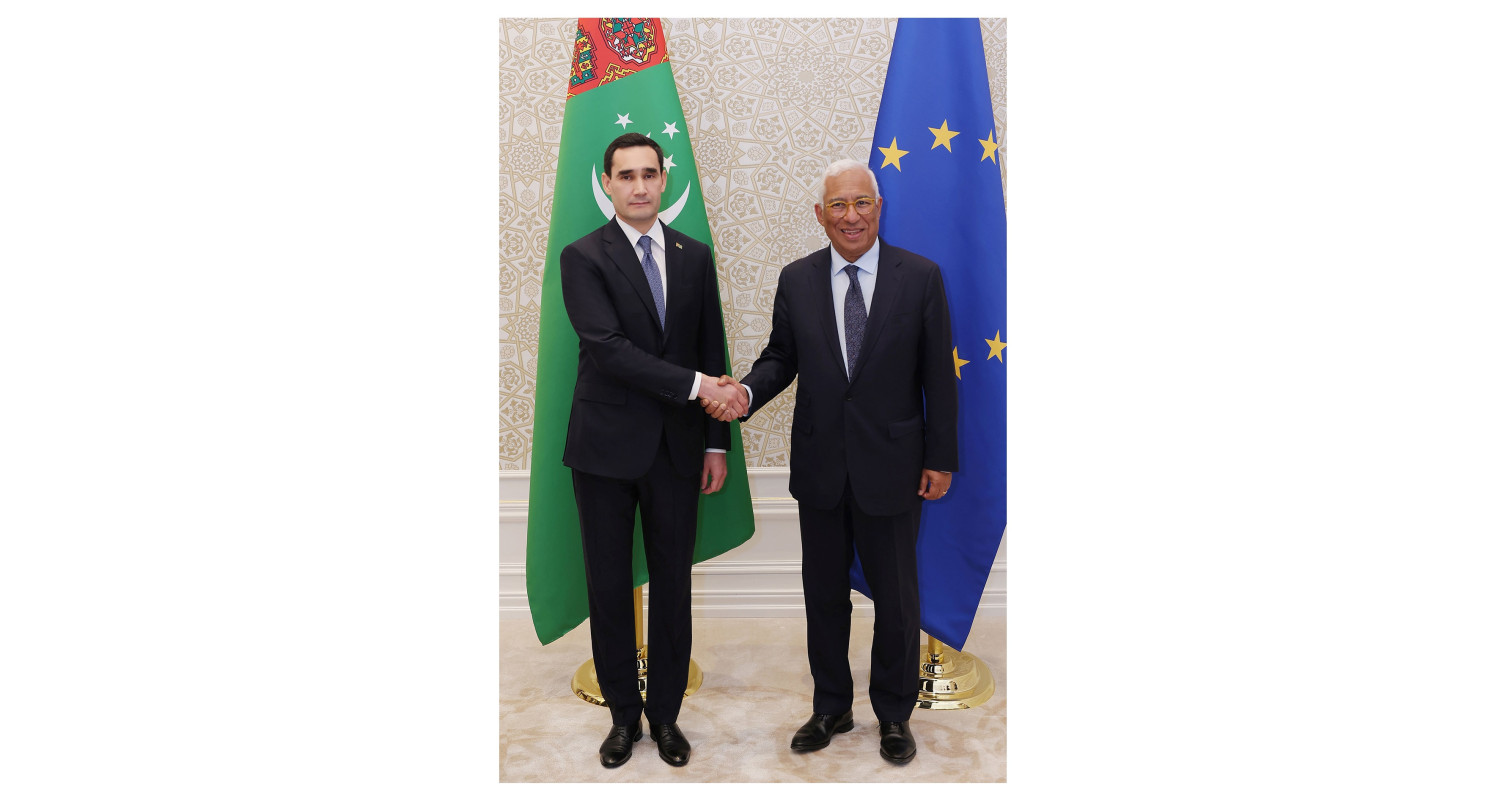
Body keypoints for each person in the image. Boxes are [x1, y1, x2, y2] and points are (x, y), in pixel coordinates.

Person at [703, 159, 957, 765]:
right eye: (838, 205)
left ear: (879, 207)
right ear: (820, 215)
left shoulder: (920, 277)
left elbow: (938, 378)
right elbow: (780, 358)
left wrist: (941, 457)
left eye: (861, 203)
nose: (851, 216)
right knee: (823, 596)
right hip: (821, 466)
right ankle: (831, 706)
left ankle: (893, 714)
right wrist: (745, 393)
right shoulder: (797, 279)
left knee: (897, 601)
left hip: (894, 466)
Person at [559, 132, 745, 769]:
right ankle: (622, 717)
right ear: (607, 184)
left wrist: (716, 441)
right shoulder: (583, 256)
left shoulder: (694, 255)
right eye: (625, 176)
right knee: (609, 586)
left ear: (664, 180)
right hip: (604, 451)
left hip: (678, 448)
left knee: (673, 585)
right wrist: (700, 387)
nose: (638, 186)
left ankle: (665, 715)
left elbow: (711, 346)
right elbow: (609, 349)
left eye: (648, 174)